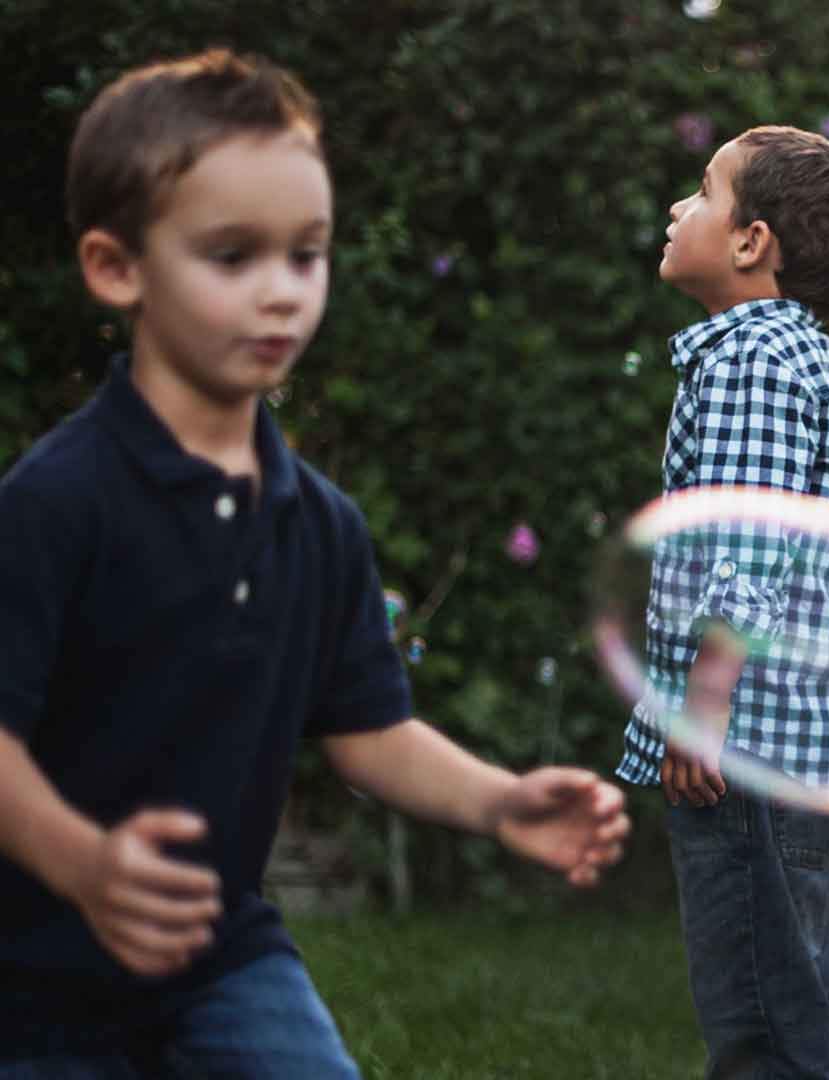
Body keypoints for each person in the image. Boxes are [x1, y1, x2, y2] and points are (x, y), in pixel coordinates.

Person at [0, 49, 630, 1075]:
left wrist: (498, 802)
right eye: (233, 256)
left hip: (222, 957)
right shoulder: (58, 503)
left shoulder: (317, 522)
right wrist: (85, 866)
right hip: (30, 972)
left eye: (307, 254)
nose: (282, 292)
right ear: (117, 267)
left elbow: (367, 731)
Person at [617, 124, 829, 1079]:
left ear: (752, 241)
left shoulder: (751, 361)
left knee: (760, 1016)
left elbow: (745, 546)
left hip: (748, 738)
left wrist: (704, 707)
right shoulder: (817, 363)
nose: (675, 208)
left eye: (701, 191)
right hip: (800, 741)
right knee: (789, 983)